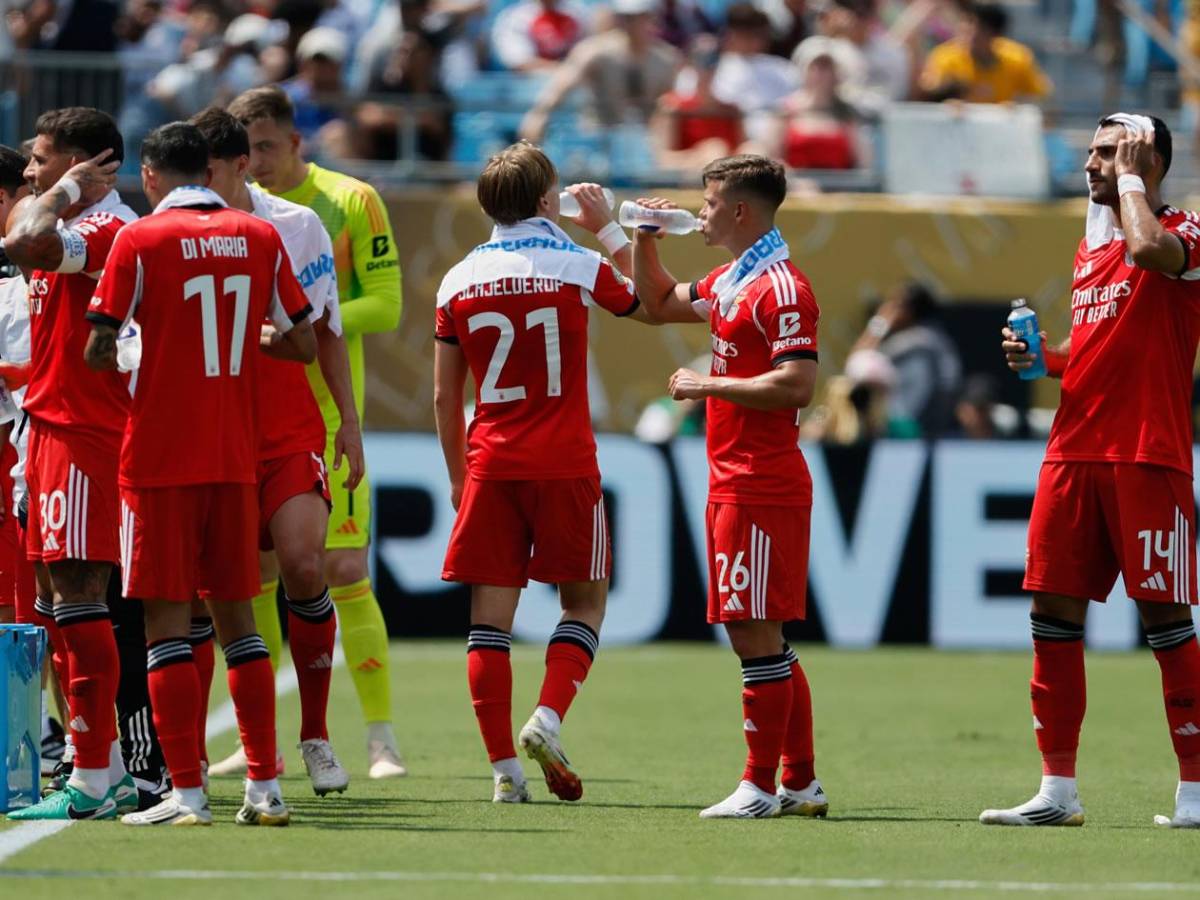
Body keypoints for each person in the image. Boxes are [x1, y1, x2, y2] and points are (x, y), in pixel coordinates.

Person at [84, 121, 315, 826]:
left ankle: (186, 792)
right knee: (240, 622)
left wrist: (131, 349)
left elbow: (98, 347)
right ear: (208, 173)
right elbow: (303, 340)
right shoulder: (260, 235)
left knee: (165, 627)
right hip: (235, 457)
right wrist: (254, 340)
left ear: (151, 176)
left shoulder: (138, 239)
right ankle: (265, 786)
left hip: (157, 459)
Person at [984, 114, 1200, 829]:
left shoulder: (1184, 234)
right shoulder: (1089, 255)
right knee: (1051, 615)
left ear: (1147, 159)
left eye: (1108, 152)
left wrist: (1135, 180)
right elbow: (1096, 349)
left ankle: (1196, 792)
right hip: (1072, 451)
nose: (1092, 164)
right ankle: (1057, 791)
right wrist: (1045, 358)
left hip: (1147, 454)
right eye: (1092, 152)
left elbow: (1151, 249)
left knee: (1166, 619)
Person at [433, 143, 654, 803]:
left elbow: (447, 396)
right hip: (563, 460)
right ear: (544, 201)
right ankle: (548, 716)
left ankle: (505, 774)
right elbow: (651, 302)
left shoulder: (456, 280)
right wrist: (610, 229)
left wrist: (456, 475)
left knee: (487, 624)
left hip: (491, 461)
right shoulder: (575, 263)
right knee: (584, 602)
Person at [631, 155, 827, 818]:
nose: (703, 210)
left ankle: (759, 786)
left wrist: (706, 384)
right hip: (734, 476)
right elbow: (656, 305)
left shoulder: (783, 288)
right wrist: (641, 239)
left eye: (711, 201)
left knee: (751, 633)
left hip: (761, 481)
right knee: (764, 634)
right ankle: (799, 782)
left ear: (742, 211)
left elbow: (799, 384)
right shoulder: (733, 279)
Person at [226, 85, 406, 780]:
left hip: (325, 414)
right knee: (256, 579)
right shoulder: (231, 216)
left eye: (268, 146)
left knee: (342, 571)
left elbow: (385, 304)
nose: (259, 161)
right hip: (249, 416)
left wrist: (297, 321)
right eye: (248, 151)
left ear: (297, 142)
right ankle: (257, 738)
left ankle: (380, 736)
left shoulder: (348, 201)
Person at [191, 105, 363, 796]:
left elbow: (324, 331)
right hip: (211, 430)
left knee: (302, 561)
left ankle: (316, 735)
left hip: (289, 424)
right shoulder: (169, 232)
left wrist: (347, 422)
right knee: (211, 595)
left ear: (237, 165)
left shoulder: (296, 226)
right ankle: (198, 755)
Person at [3, 108, 139, 822]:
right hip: (49, 430)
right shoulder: (73, 225)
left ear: (93, 166)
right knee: (60, 607)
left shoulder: (105, 230)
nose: (30, 173)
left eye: (43, 159)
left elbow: (24, 241)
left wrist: (57, 196)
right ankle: (105, 766)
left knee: (82, 598)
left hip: (88, 433)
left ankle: (93, 777)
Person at [519, 0, 681, 143]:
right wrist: (540, 114)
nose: (631, 23)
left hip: (646, 141)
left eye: (638, 16)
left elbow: (668, 106)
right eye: (625, 17)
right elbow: (562, 85)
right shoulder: (596, 52)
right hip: (599, 138)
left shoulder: (665, 59)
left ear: (651, 18)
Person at [850, 282, 962, 437]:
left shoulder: (919, 340)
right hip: (921, 427)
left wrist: (880, 322)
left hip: (909, 429)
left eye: (896, 305)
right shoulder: (932, 337)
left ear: (909, 310)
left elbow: (857, 364)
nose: (889, 309)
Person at [919, 1, 1051, 103]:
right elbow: (926, 93)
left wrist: (1017, 108)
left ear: (995, 34)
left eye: (976, 33)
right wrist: (950, 93)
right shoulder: (945, 56)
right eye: (964, 30)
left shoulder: (1018, 58)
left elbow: (1041, 97)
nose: (968, 38)